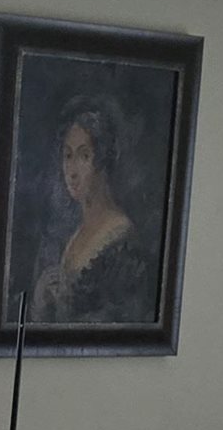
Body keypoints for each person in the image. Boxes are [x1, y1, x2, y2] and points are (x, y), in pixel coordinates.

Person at [25, 101, 162, 327]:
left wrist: (65, 305)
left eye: (84, 156)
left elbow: (119, 324)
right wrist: (41, 302)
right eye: (67, 156)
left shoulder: (121, 240)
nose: (72, 171)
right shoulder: (73, 235)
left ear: (103, 162)